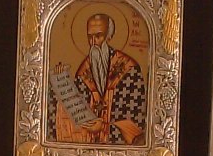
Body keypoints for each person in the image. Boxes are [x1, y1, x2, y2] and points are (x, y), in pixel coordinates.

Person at [48, 12, 147, 145]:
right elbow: (75, 109)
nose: (93, 42)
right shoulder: (84, 71)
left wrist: (104, 127)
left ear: (108, 36)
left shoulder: (129, 70)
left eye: (98, 36)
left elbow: (135, 122)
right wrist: (59, 80)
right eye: (90, 37)